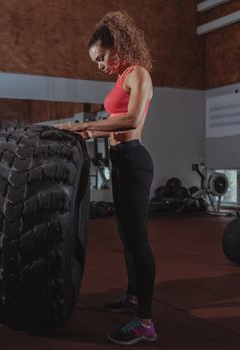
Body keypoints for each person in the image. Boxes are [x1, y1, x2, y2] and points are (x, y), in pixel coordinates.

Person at [54, 10, 156, 346]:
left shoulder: (138, 74)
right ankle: (133, 295)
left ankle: (145, 322)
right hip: (119, 160)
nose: (99, 65)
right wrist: (92, 134)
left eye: (101, 57)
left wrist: (85, 124)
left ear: (118, 46)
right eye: (96, 61)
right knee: (126, 234)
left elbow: (131, 121)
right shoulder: (120, 77)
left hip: (135, 161)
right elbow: (114, 125)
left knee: (138, 238)